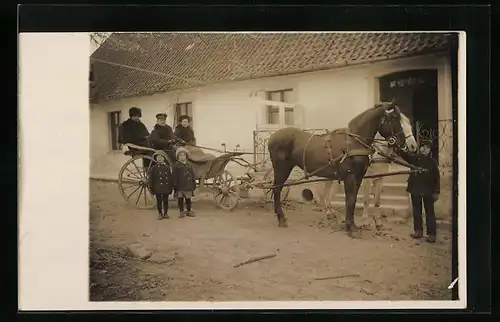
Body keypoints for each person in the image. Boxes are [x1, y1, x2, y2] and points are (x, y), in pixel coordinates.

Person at [397, 140, 440, 243]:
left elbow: (437, 178)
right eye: (422, 147)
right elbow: (405, 156)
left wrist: (436, 192)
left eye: (427, 147)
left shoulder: (432, 162)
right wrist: (397, 147)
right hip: (415, 189)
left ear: (430, 150)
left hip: (428, 190)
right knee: (417, 212)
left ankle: (432, 234)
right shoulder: (415, 158)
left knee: (429, 212)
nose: (424, 149)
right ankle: (418, 231)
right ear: (419, 148)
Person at [173, 147, 196, 218]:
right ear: (178, 157)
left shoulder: (189, 165)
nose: (182, 157)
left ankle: (189, 211)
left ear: (186, 156)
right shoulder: (176, 166)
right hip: (180, 186)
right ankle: (181, 212)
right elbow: (174, 176)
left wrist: (193, 184)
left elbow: (192, 175)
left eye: (183, 155)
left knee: (188, 199)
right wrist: (175, 185)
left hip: (188, 185)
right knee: (180, 200)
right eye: (180, 155)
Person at [149, 154, 173, 220]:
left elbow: (170, 178)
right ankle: (160, 213)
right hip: (158, 187)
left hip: (166, 187)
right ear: (156, 159)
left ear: (164, 158)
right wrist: (151, 188)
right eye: (158, 158)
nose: (160, 159)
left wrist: (170, 188)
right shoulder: (154, 168)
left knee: (165, 201)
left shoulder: (167, 167)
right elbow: (151, 178)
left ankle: (165, 213)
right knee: (159, 201)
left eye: (161, 157)